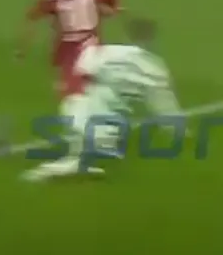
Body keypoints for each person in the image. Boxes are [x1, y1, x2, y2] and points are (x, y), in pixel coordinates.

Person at [22, 17, 179, 181]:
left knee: (84, 115)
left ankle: (77, 159)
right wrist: (175, 129)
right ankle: (60, 166)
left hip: (81, 113)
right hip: (105, 122)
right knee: (94, 133)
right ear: (151, 38)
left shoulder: (103, 52)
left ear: (127, 36)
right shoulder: (156, 67)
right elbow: (164, 104)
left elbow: (77, 73)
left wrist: (65, 88)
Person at [17, 0, 119, 118]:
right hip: (94, 46)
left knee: (73, 99)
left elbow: (31, 18)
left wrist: (21, 50)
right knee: (92, 90)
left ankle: (93, 127)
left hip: (72, 52)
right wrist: (109, 10)